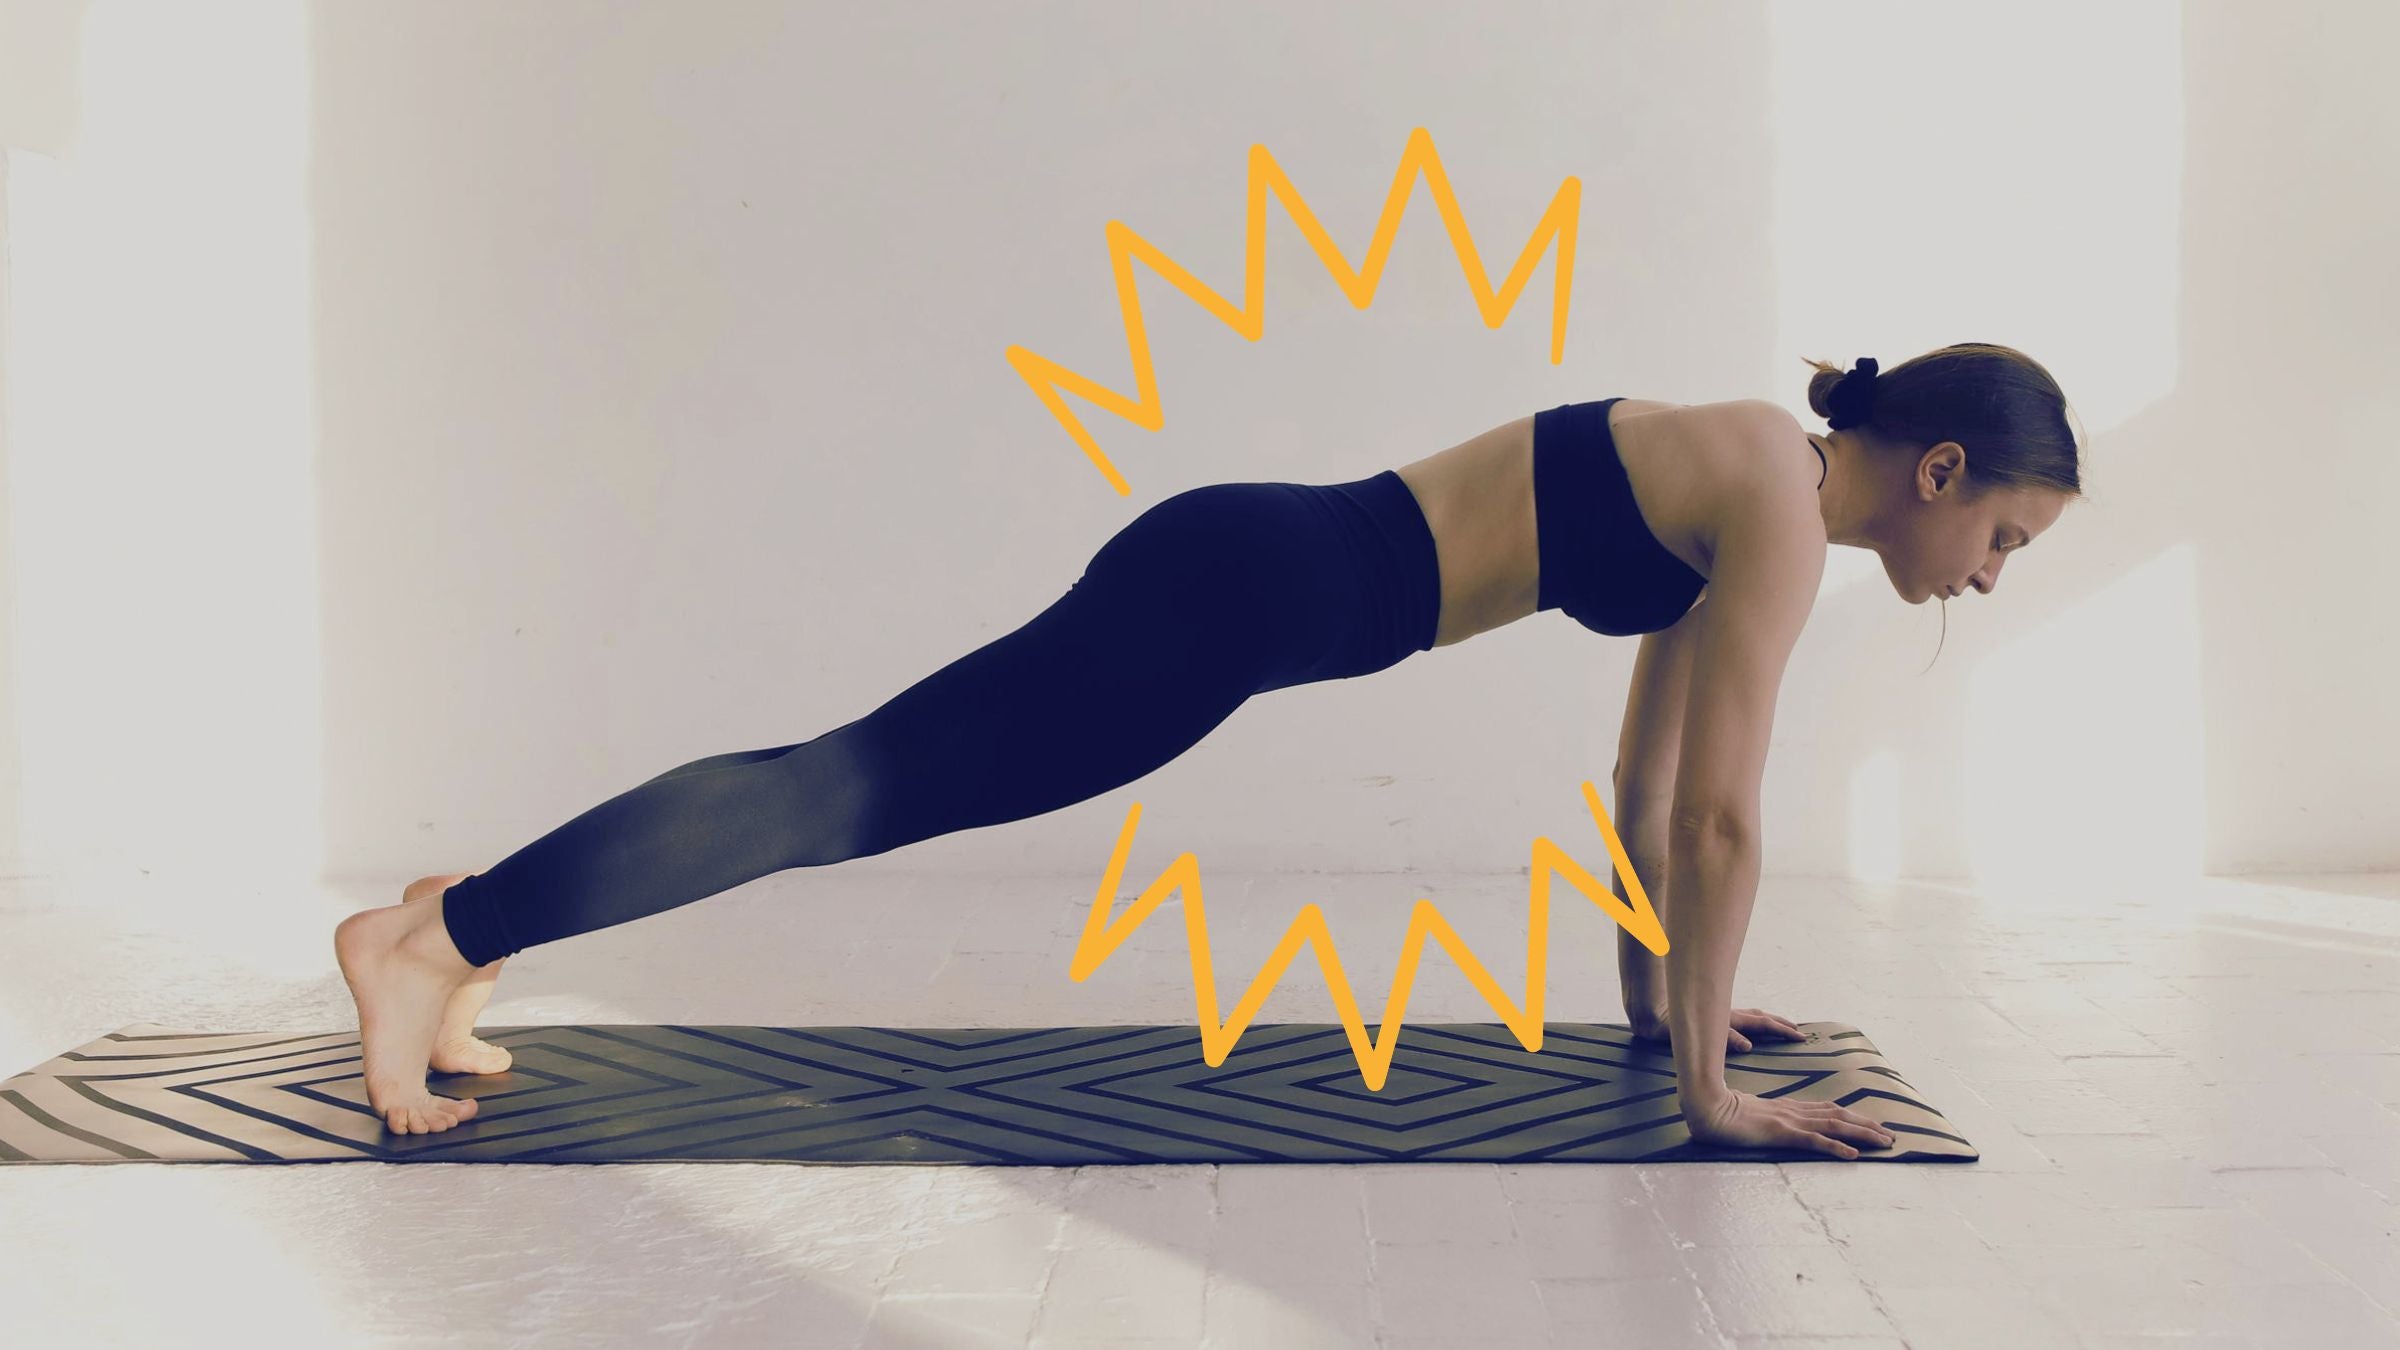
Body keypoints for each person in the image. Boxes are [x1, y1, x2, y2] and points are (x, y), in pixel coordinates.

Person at [335, 341, 2085, 1144]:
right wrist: (1711, 1100)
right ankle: (431, 940)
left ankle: (457, 925)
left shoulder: (1752, 474)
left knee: (858, 777)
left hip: (1246, 572)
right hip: (1240, 597)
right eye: (2006, 537)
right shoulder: (1775, 504)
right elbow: (1717, 824)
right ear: (1940, 469)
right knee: (846, 790)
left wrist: (1668, 1019)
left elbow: (1648, 789)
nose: (1990, 577)